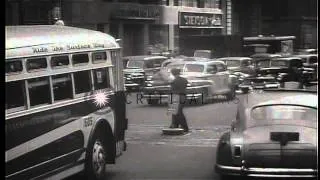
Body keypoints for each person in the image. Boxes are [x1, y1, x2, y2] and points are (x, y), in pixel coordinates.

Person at [169, 68, 189, 133]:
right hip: (183, 96)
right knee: (178, 111)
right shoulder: (184, 79)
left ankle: (181, 126)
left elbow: (172, 89)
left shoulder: (174, 81)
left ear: (172, 73)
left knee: (176, 112)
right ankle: (176, 125)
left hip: (176, 96)